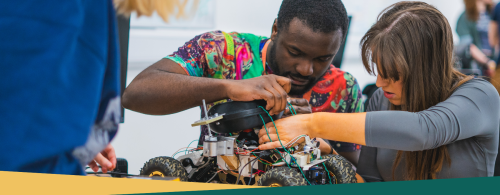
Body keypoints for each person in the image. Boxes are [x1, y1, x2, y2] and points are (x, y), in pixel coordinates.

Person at [257, 1, 500, 181]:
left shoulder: (480, 97)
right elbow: (370, 182)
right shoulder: (381, 100)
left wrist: (311, 124)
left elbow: (424, 130)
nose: (381, 83)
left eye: (393, 74)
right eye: (379, 71)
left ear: (426, 68)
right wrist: (328, 153)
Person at [122, 0, 364, 165]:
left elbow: (354, 172)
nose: (306, 69)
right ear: (275, 29)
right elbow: (135, 94)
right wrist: (229, 87)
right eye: (295, 52)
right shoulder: (223, 51)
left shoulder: (345, 89)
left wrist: (325, 149)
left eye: (323, 58)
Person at [456, 0, 496, 77]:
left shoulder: (493, 14)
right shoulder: (465, 17)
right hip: (477, 66)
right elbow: (468, 46)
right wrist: (488, 62)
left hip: (495, 62)